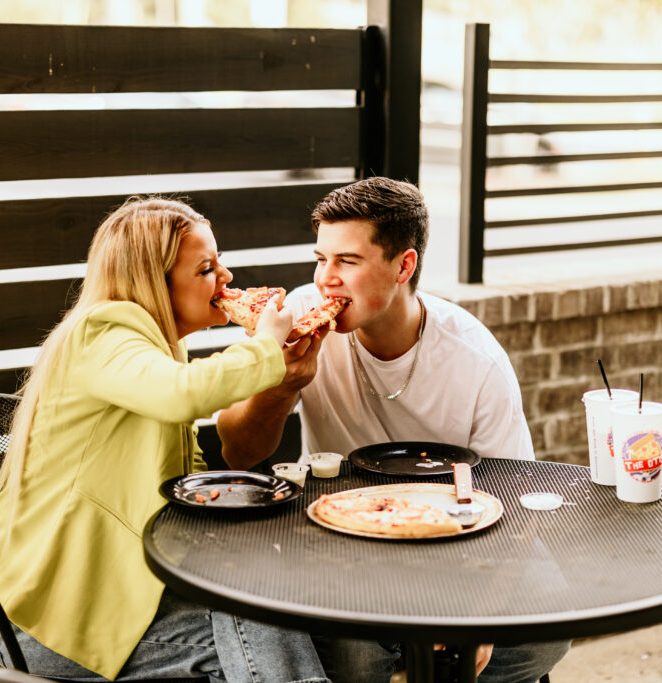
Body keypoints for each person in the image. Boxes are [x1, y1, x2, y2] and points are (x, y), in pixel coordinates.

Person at [0, 198, 330, 683]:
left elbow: (186, 477)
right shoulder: (103, 331)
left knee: (264, 602)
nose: (226, 274)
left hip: (115, 592)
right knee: (258, 626)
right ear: (154, 280)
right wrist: (265, 348)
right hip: (42, 622)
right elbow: (183, 395)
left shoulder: (157, 345)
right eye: (206, 267)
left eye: (218, 261)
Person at [216, 177, 570, 683]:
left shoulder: (475, 358)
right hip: (338, 532)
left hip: (454, 537)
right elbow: (238, 451)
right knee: (356, 654)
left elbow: (512, 495)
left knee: (544, 633)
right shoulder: (293, 322)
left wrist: (484, 611)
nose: (326, 280)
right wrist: (282, 384)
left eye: (348, 262)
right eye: (322, 258)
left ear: (403, 266)